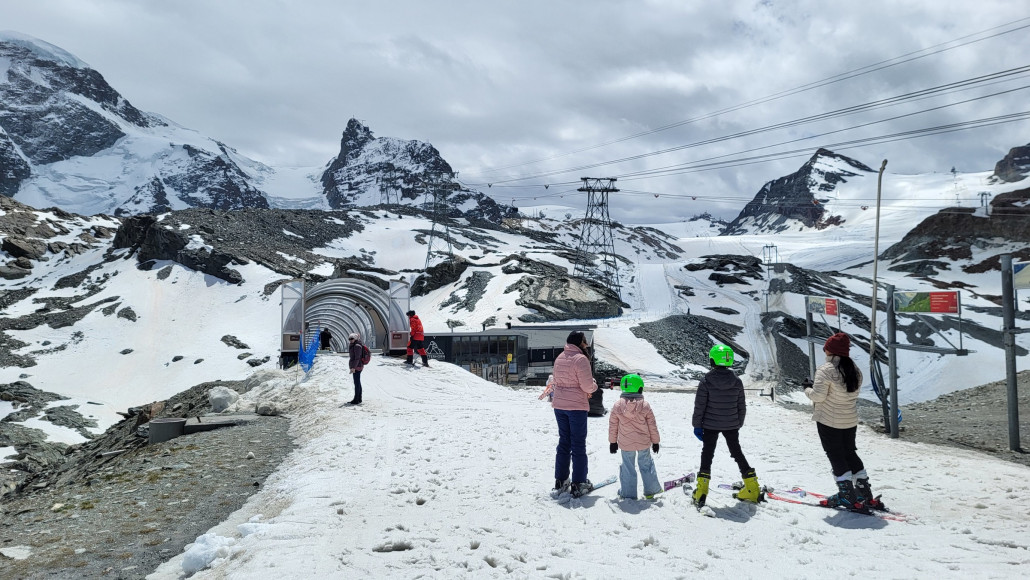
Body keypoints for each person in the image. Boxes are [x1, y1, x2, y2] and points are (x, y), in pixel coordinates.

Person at [803, 332, 878, 509]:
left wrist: (807, 388)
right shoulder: (855, 370)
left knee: (835, 455)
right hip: (849, 420)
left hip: (829, 421)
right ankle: (864, 492)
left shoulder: (825, 370)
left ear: (830, 350)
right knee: (850, 453)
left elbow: (818, 397)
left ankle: (846, 495)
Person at [691, 344, 762, 508]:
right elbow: (741, 405)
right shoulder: (737, 381)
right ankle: (752, 488)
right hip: (731, 424)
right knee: (737, 452)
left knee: (707, 454)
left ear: (713, 360)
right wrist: (738, 422)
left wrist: (697, 425)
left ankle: (701, 491)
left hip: (710, 425)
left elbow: (699, 406)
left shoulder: (706, 381)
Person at [551, 331, 598, 497]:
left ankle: (561, 480)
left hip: (559, 405)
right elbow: (587, 386)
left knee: (564, 442)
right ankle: (579, 482)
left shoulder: (560, 357)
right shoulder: (580, 359)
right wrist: (593, 385)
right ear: (580, 342)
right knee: (578, 444)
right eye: (585, 341)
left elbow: (556, 381)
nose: (586, 344)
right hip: (576, 407)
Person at [608, 374, 661, 500]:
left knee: (628, 467)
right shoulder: (645, 405)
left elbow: (613, 425)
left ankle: (628, 494)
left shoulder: (617, 406)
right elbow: (652, 425)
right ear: (639, 388)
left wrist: (613, 442)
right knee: (646, 465)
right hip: (643, 442)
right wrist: (655, 442)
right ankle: (651, 490)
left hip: (626, 443)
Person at [346, 333, 365, 405]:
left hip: (357, 366)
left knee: (356, 383)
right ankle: (359, 398)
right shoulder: (353, 345)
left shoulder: (357, 346)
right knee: (357, 382)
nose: (350, 340)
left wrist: (353, 367)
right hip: (356, 366)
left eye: (352, 338)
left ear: (355, 339)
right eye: (349, 339)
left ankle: (356, 399)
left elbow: (357, 358)